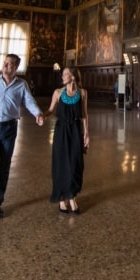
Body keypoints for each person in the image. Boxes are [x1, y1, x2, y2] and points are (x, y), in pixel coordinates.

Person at [0, 54, 45, 222]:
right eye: (5, 62)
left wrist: (38, 114)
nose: (5, 65)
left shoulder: (21, 85)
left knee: (4, 168)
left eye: (10, 64)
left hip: (9, 129)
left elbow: (29, 101)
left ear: (16, 67)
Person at [42, 67, 89, 214]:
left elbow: (85, 115)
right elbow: (50, 110)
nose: (62, 76)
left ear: (73, 76)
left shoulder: (82, 93)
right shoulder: (58, 92)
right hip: (61, 131)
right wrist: (42, 115)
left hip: (76, 130)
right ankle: (63, 200)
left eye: (66, 74)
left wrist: (86, 134)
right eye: (62, 74)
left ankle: (72, 196)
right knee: (61, 164)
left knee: (76, 164)